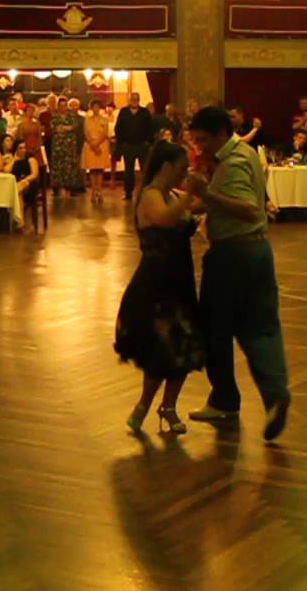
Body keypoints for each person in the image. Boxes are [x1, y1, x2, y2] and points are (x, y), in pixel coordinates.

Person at [183, 107, 291, 441]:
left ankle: (225, 400)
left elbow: (247, 208)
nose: (199, 147)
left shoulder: (233, 162)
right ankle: (275, 394)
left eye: (202, 140)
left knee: (216, 329)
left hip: (233, 254)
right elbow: (234, 200)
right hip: (257, 252)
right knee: (262, 327)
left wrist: (205, 193)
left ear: (218, 133)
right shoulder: (245, 154)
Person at [115, 140, 205, 434]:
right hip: (155, 284)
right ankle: (143, 405)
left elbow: (194, 208)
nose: (184, 174)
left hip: (179, 280)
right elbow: (167, 220)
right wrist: (190, 193)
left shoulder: (172, 194)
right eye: (181, 169)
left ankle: (169, 406)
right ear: (167, 167)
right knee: (160, 349)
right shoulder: (150, 196)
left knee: (184, 347)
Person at [115, 93, 151, 201]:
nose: (134, 101)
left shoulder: (145, 112)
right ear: (129, 100)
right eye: (132, 99)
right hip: (128, 146)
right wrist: (122, 143)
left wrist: (147, 141)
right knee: (128, 171)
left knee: (145, 170)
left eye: (136, 99)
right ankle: (128, 193)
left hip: (142, 146)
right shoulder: (123, 112)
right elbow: (118, 128)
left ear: (139, 100)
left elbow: (150, 127)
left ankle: (146, 192)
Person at [47, 98, 80, 197]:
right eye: (61, 105)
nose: (63, 107)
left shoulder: (72, 116)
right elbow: (55, 128)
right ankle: (56, 188)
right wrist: (65, 128)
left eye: (65, 105)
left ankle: (71, 187)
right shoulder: (54, 117)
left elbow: (73, 127)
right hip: (58, 146)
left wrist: (64, 127)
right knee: (57, 166)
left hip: (70, 146)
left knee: (71, 166)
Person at [81, 100, 111, 204]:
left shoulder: (104, 119)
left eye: (98, 106)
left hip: (101, 145)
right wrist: (92, 144)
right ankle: (93, 191)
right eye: (94, 107)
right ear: (91, 108)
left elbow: (105, 133)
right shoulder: (87, 119)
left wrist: (97, 144)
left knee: (100, 169)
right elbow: (85, 132)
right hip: (90, 145)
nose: (96, 109)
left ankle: (100, 190)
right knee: (92, 169)